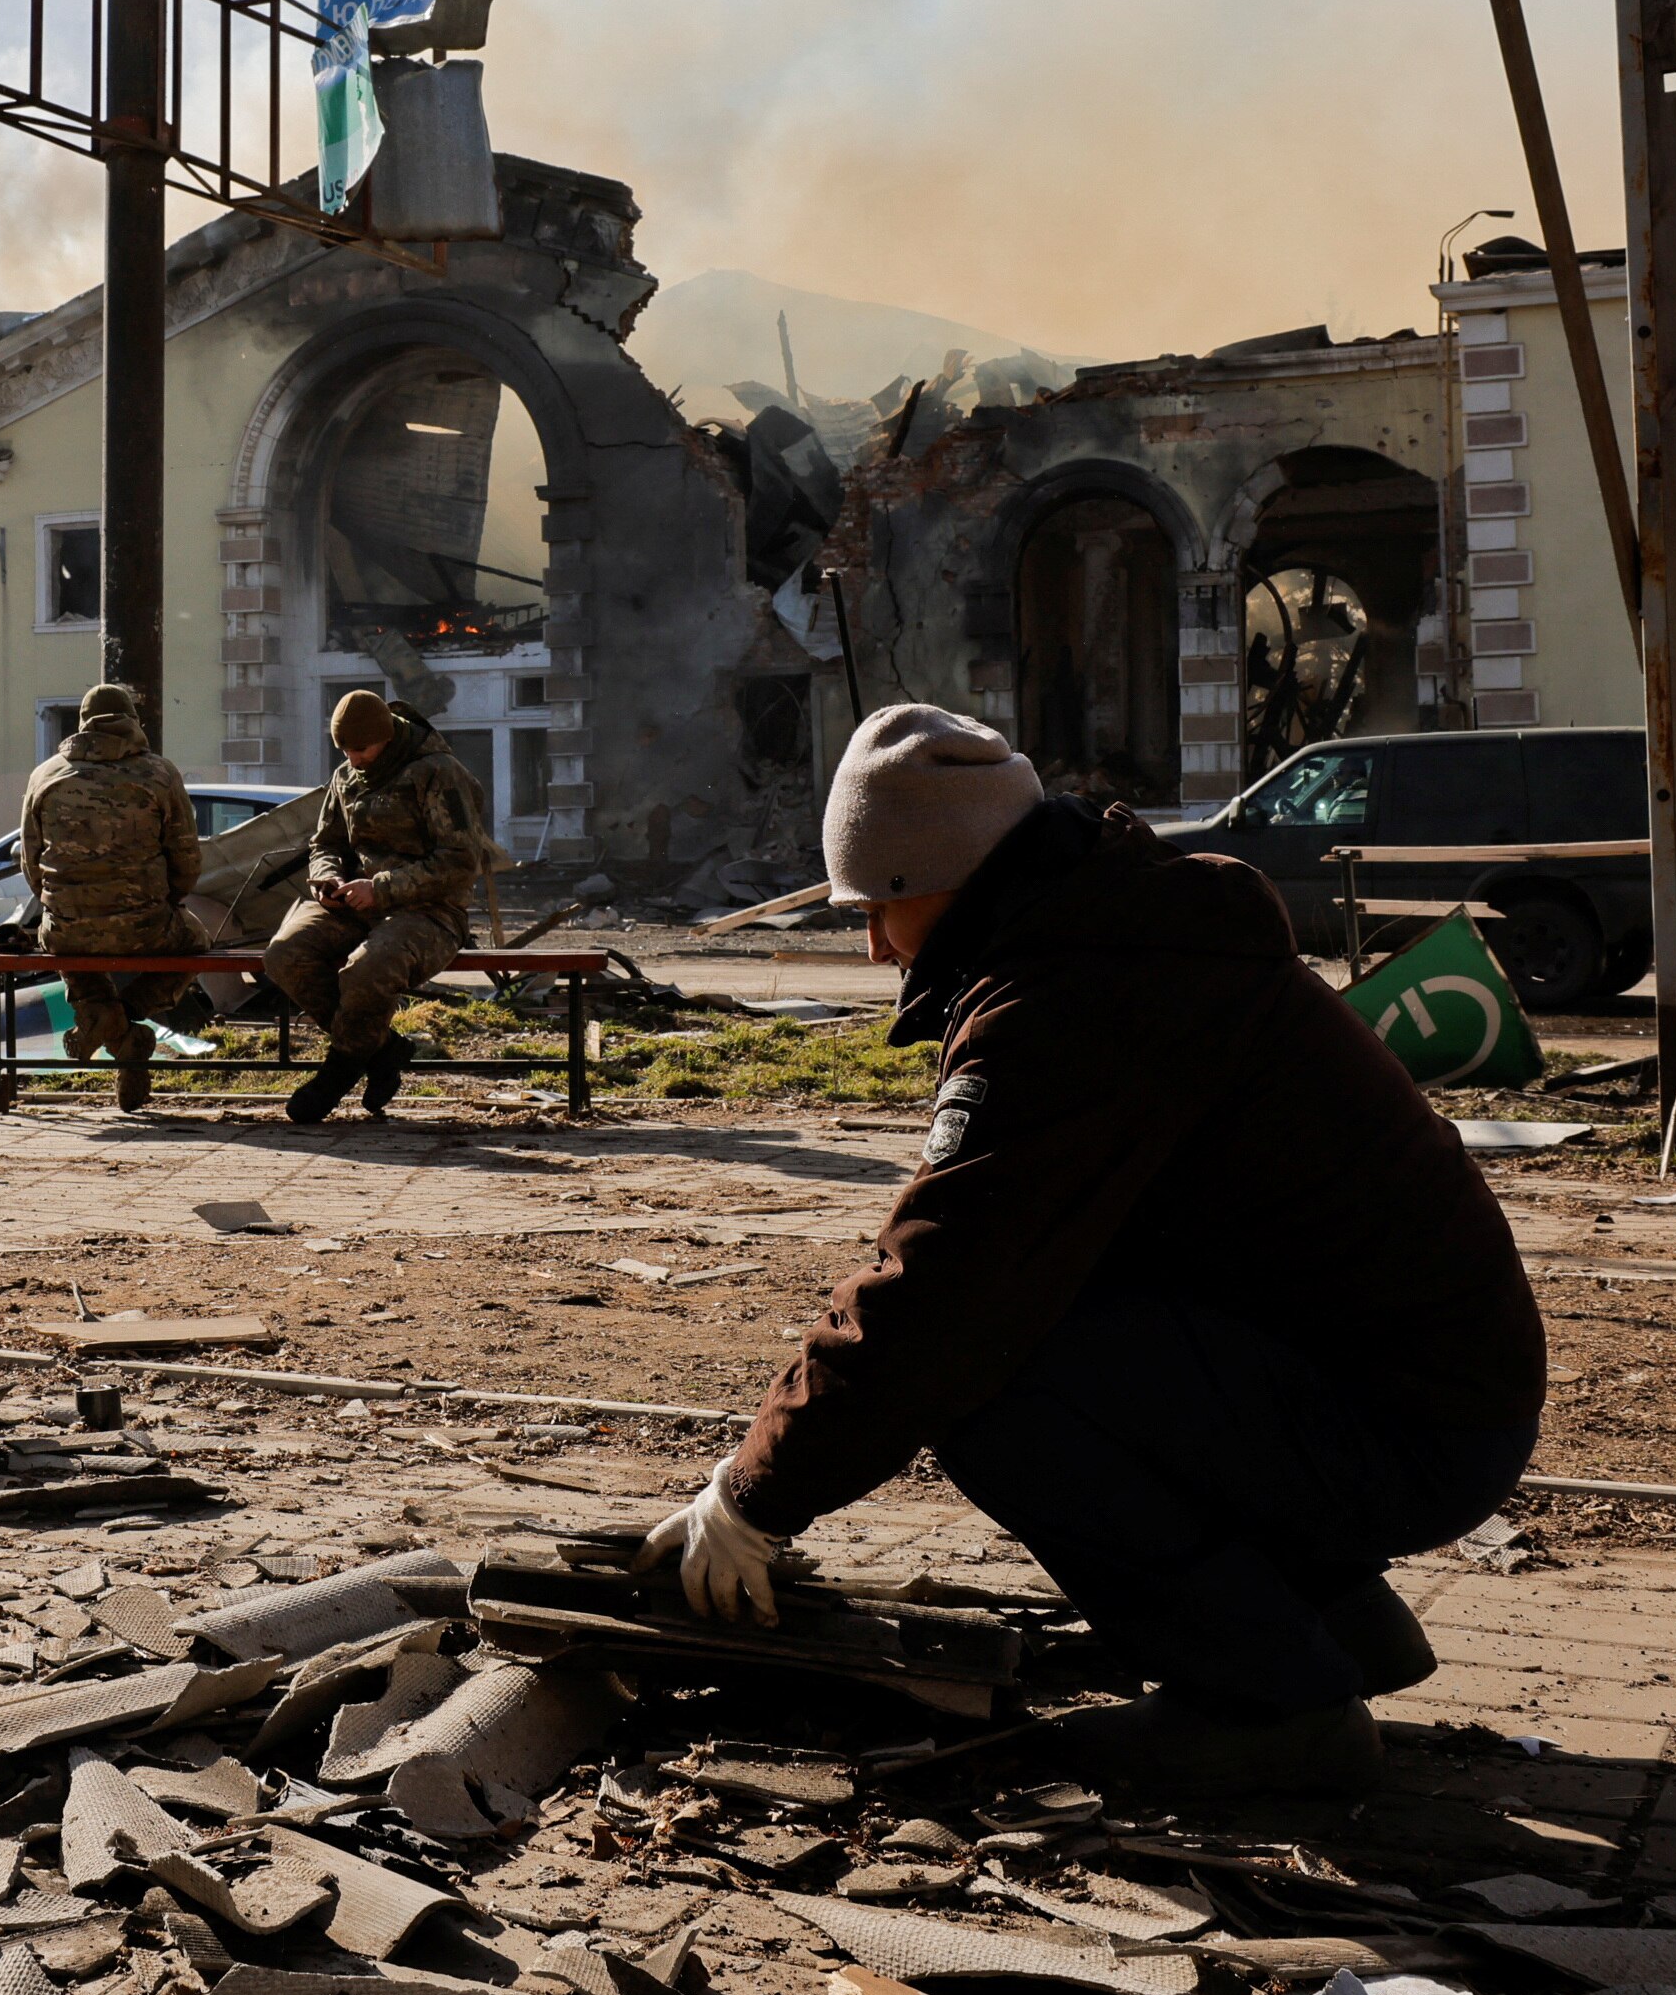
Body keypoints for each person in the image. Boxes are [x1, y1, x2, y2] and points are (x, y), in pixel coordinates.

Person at [634, 704, 1544, 1797]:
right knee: (1057, 1303)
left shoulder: (1072, 996)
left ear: (949, 874)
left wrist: (755, 1495)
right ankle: (1332, 1621)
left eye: (880, 903)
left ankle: (1272, 1708)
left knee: (983, 1379)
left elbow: (942, 1288)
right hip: (1411, 1385)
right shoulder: (1122, 929)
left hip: (1403, 1429)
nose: (874, 944)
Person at [260, 688, 495, 1124]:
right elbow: (324, 843)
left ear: (386, 737)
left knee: (370, 968)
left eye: (361, 748)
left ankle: (338, 1071)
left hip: (430, 910)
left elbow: (462, 861)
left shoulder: (438, 773)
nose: (353, 758)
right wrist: (326, 878)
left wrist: (383, 888)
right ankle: (383, 1049)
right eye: (344, 749)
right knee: (284, 954)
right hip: (355, 902)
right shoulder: (346, 776)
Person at [19, 682, 201, 1112]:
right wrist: (165, 902)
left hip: (66, 926)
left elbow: (30, 860)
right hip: (146, 926)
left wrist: (62, 902)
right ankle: (127, 1020)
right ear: (132, 724)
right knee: (196, 941)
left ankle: (108, 1019)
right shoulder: (159, 773)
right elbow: (187, 859)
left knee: (68, 939)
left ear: (82, 724)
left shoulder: (44, 775)